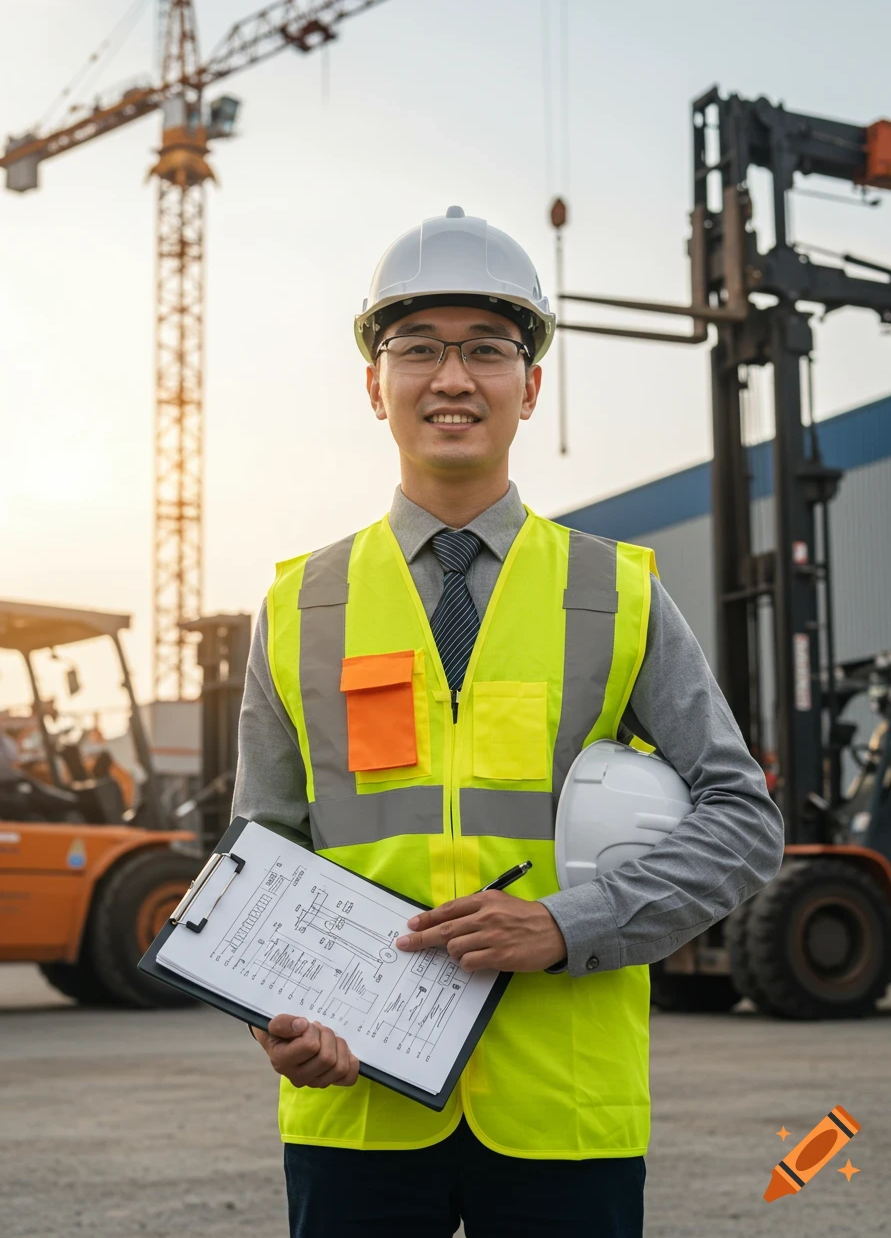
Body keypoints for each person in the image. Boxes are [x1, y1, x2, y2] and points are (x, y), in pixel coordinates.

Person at [232, 206, 785, 1238]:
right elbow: (257, 851)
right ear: (373, 384)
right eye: (418, 349)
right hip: (356, 1102)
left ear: (528, 387)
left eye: (487, 349)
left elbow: (743, 819)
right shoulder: (298, 603)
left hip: (560, 1110)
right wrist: (273, 1012)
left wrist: (567, 923)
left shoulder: (614, 592)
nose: (452, 378)